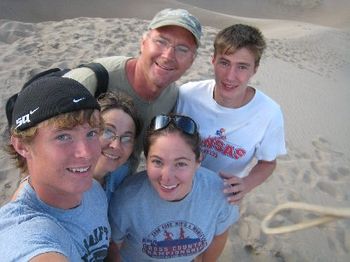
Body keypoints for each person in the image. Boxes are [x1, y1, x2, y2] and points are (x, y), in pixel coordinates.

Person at [63, 8, 202, 172]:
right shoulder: (89, 81)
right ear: (143, 43)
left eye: (182, 49)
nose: (168, 55)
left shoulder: (173, 97)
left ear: (191, 60)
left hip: (118, 188)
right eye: (161, 41)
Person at [0, 77, 110, 261]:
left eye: (91, 133)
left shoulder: (94, 190)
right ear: (22, 146)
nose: (86, 153)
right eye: (63, 137)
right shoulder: (23, 231)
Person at [176, 24, 287, 205]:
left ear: (255, 68)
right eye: (224, 63)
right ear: (213, 60)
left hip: (221, 196)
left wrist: (246, 184)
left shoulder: (269, 113)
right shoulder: (188, 95)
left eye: (242, 67)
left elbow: (268, 162)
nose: (230, 76)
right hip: (178, 186)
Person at [108, 114, 238, 261]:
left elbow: (220, 234)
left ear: (198, 161)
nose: (167, 176)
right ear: (147, 159)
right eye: (157, 161)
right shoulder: (127, 199)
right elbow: (113, 246)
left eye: (180, 163)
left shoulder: (218, 191)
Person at [94, 91, 142, 203]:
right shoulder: (64, 185)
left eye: (126, 138)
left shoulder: (122, 175)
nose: (116, 145)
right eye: (108, 132)